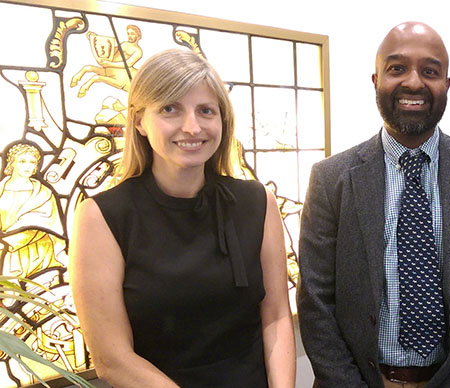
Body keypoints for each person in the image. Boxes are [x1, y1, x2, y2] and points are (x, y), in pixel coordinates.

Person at [297, 21, 450, 388]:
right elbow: (316, 301)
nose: (413, 82)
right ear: (376, 80)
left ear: (446, 85)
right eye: (397, 68)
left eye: (429, 71)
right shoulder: (330, 178)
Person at [69, 49, 295, 388]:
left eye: (206, 110)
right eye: (170, 109)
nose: (192, 127)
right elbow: (112, 359)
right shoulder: (102, 216)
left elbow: (275, 317)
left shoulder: (257, 201)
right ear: (139, 121)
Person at [0, 143, 66, 278]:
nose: (28, 166)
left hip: (37, 252)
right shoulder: (2, 189)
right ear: (12, 163)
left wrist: (8, 242)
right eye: (22, 161)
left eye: (32, 162)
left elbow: (46, 225)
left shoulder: (44, 193)